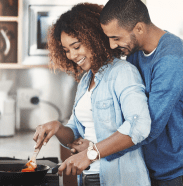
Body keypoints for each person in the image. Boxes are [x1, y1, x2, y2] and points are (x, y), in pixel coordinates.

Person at [69, 0, 183, 186]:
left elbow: (147, 126)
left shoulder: (172, 61)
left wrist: (95, 150)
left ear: (139, 28)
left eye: (116, 38)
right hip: (155, 168)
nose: (112, 45)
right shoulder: (135, 53)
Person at [32, 3, 151, 186]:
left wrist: (90, 153)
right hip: (89, 178)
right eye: (66, 50)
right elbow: (75, 134)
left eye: (76, 46)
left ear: (94, 37)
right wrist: (57, 127)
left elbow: (139, 125)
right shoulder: (86, 80)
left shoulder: (123, 73)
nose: (71, 55)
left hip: (119, 180)